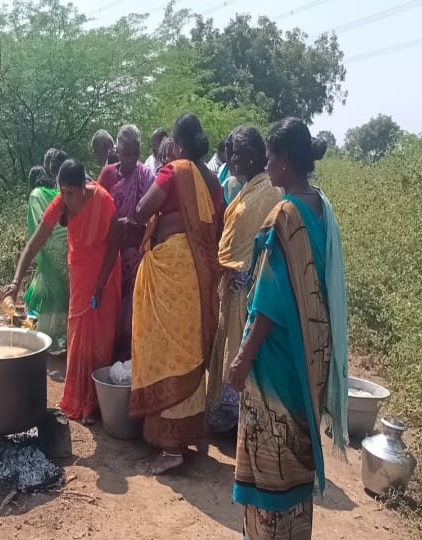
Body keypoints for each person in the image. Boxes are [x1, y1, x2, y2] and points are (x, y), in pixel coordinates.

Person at [228, 118, 348, 539]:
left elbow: (270, 300)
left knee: (272, 450)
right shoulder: (321, 206)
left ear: (286, 161)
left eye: (271, 157)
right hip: (310, 352)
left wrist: (243, 356)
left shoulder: (285, 214)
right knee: (295, 448)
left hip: (276, 356)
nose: (267, 163)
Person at [130, 113, 222, 475]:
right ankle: (188, 434)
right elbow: (219, 219)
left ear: (179, 145)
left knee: (166, 350)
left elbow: (142, 210)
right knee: (187, 348)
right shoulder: (212, 179)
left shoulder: (173, 170)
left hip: (171, 270)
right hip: (197, 274)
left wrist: (166, 166)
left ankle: (170, 447)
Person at [1, 159, 121, 426]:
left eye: (70, 193)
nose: (65, 198)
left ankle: (97, 402)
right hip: (79, 274)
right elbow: (33, 245)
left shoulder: (102, 199)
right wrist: (16, 281)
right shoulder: (60, 204)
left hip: (106, 271)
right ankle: (82, 401)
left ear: (83, 187)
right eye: (62, 192)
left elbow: (115, 242)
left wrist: (101, 283)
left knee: (101, 338)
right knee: (79, 336)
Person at [206, 127, 281, 435]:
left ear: (253, 155)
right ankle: (225, 413)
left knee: (241, 352)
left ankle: (237, 418)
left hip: (250, 288)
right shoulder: (247, 188)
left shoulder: (270, 193)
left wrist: (246, 277)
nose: (232, 158)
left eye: (237, 152)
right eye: (230, 152)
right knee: (227, 348)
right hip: (232, 286)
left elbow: (267, 245)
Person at [97, 125, 155, 362]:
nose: (130, 160)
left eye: (135, 154)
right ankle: (107, 360)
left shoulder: (147, 176)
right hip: (112, 253)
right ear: (117, 151)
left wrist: (136, 227)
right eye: (125, 154)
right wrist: (114, 224)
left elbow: (154, 218)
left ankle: (131, 361)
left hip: (137, 253)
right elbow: (97, 213)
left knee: (131, 313)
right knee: (110, 310)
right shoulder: (108, 175)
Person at [24, 164, 69, 348]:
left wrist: (42, 252)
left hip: (50, 248)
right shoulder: (56, 191)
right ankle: (64, 337)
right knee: (62, 291)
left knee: (45, 290)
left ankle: (50, 339)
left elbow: (37, 225)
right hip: (67, 249)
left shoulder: (35, 194)